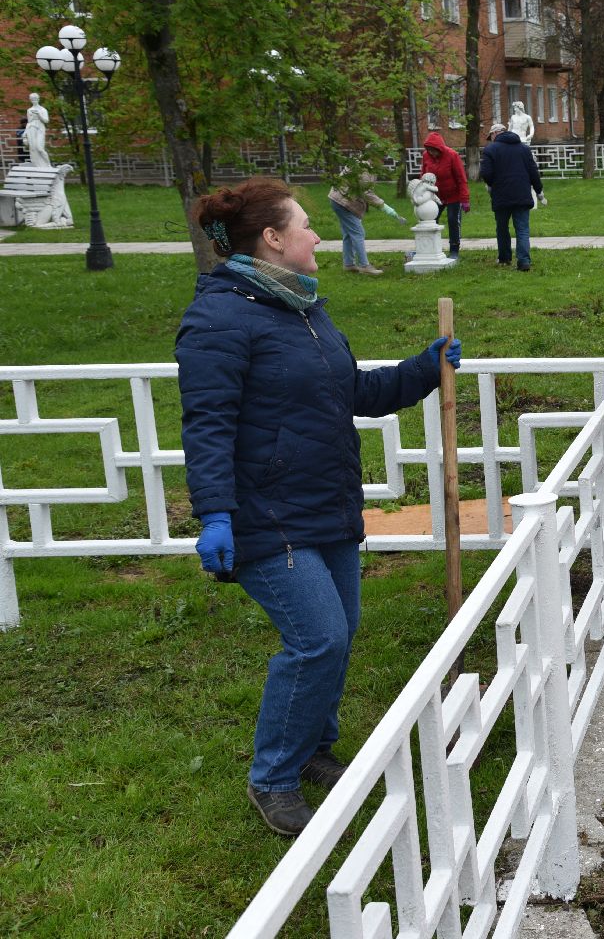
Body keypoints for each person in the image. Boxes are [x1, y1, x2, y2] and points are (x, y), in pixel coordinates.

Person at [175, 178, 460, 836]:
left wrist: (425, 367)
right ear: (273, 239)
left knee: (340, 634)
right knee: (318, 639)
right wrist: (215, 513)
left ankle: (312, 749)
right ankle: (271, 776)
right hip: (264, 516)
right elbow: (208, 423)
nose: (318, 235)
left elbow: (351, 391)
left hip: (327, 504)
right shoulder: (220, 318)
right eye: (306, 225)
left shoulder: (303, 308)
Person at [480, 121, 546, 271]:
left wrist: (492, 185)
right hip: (522, 194)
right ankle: (523, 261)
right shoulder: (523, 149)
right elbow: (533, 172)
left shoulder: (491, 149)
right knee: (522, 229)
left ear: (495, 134)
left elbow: (486, 173)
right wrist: (539, 191)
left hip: (501, 195)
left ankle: (504, 258)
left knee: (502, 228)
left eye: (491, 136)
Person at [327, 157, 403, 276]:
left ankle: (349, 264)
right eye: (381, 159)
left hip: (340, 200)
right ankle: (364, 265)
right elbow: (367, 193)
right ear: (373, 156)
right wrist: (385, 207)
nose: (383, 161)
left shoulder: (367, 167)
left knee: (348, 233)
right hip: (342, 202)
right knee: (358, 232)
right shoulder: (364, 169)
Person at [418, 131, 469, 261]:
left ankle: (454, 249)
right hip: (435, 195)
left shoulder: (452, 155)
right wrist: (421, 192)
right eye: (429, 150)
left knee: (453, 221)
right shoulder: (426, 156)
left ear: (439, 148)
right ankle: (432, 248)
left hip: (453, 195)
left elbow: (461, 178)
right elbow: (423, 175)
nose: (431, 153)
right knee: (430, 219)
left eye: (433, 150)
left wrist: (464, 199)